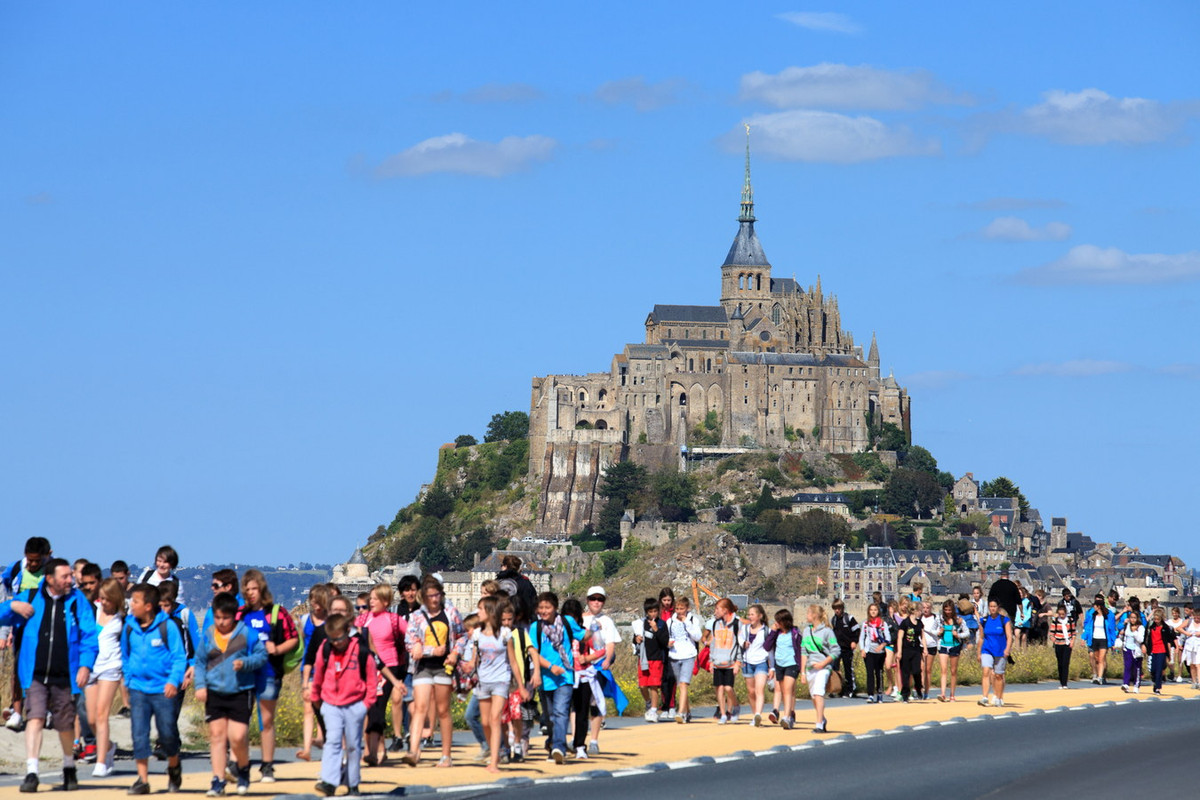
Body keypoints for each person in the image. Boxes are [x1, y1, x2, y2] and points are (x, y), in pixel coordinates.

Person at [1, 557, 97, 793]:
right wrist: (12, 606)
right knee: (35, 718)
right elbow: (2, 615)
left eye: (70, 576)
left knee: (65, 725)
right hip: (35, 673)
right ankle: (32, 771)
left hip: (65, 674)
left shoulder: (77, 602)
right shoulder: (30, 598)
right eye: (65, 577)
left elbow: (89, 636)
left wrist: (85, 665)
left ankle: (68, 767)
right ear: (50, 578)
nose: (70, 580)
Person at [194, 591, 267, 796]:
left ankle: (243, 770)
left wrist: (246, 663)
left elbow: (261, 656)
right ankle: (217, 780)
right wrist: (200, 686)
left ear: (234, 616)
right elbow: (200, 662)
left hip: (240, 692)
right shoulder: (208, 634)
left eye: (226, 618)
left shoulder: (247, 634)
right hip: (215, 692)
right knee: (217, 737)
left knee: (238, 737)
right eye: (218, 617)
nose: (221, 622)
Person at [122, 582, 187, 795]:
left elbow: (179, 658)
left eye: (136, 601)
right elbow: (125, 655)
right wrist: (129, 680)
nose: (131, 605)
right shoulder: (129, 626)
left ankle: (174, 766)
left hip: (163, 690)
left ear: (148, 606)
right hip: (138, 689)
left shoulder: (167, 627)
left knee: (167, 734)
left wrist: (172, 681)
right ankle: (142, 780)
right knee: (139, 734)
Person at [236, 569, 299, 783]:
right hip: (244, 674)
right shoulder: (240, 615)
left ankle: (267, 765)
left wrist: (278, 649)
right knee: (240, 722)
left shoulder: (277, 613)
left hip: (269, 673)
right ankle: (239, 764)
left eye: (255, 588)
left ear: (262, 588)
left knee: (267, 721)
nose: (251, 592)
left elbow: (293, 639)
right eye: (248, 589)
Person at [402, 575, 465, 768]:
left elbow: (462, 636)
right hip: (423, 667)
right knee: (420, 707)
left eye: (437, 595)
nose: (434, 599)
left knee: (443, 710)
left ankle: (446, 755)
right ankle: (414, 751)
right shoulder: (416, 617)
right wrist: (429, 650)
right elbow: (410, 643)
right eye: (430, 596)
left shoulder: (451, 613)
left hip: (443, 667)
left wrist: (455, 653)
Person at [311, 613, 377, 798]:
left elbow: (372, 678)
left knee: (353, 745)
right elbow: (318, 674)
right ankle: (329, 781)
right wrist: (316, 698)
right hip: (331, 703)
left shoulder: (361, 651)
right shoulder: (326, 649)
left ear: (348, 632)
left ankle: (353, 782)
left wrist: (367, 703)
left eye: (340, 638)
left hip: (355, 704)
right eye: (333, 639)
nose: (337, 643)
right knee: (332, 741)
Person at [463, 595, 523, 774]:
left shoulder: (505, 634)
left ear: (490, 612)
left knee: (495, 719)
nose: (478, 612)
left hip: (501, 681)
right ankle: (493, 749)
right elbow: (474, 660)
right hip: (483, 680)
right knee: (486, 722)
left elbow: (513, 662)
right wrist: (465, 667)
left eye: (481, 609)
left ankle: (495, 761)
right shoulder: (476, 634)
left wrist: (520, 685)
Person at [1, 536, 52, 735]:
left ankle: (45, 709)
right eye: (29, 560)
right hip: (22, 626)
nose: (32, 564)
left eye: (36, 561)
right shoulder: (15, 570)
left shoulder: (51, 571)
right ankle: (17, 710)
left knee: (44, 669)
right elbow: (5, 591)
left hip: (46, 627)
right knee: (18, 668)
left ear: (46, 557)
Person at [526, 591, 583, 765]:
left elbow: (582, 635)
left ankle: (559, 747)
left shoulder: (567, 622)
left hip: (565, 677)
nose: (544, 611)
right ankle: (553, 744)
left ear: (555, 608)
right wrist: (549, 667)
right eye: (541, 607)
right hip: (545, 678)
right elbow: (533, 653)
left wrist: (596, 633)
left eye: (547, 607)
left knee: (560, 712)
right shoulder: (535, 627)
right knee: (550, 716)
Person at [358, 583, 407, 766]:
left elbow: (410, 635)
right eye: (370, 599)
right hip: (368, 668)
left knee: (377, 708)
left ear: (385, 601)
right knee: (369, 710)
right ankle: (376, 748)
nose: (370, 602)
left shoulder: (393, 619)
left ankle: (376, 750)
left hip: (389, 667)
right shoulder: (364, 619)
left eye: (374, 599)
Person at [86, 578, 125, 778]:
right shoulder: (92, 610)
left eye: (107, 599)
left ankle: (101, 762)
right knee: (91, 718)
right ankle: (108, 746)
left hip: (111, 667)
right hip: (91, 667)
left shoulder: (122, 618)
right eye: (101, 598)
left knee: (102, 714)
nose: (103, 602)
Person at [578, 586, 624, 753]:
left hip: (597, 666)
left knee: (594, 702)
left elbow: (610, 643)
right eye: (593, 599)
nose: (596, 602)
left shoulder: (607, 621)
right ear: (587, 600)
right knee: (579, 705)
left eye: (600, 599)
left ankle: (594, 740)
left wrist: (607, 660)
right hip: (580, 666)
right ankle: (578, 739)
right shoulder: (580, 620)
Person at [297, 584, 330, 763]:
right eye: (313, 601)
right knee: (309, 707)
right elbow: (302, 643)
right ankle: (307, 748)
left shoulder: (331, 621)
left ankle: (322, 738)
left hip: (327, 669)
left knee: (324, 707)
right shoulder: (305, 620)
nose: (316, 604)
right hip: (308, 668)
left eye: (319, 601)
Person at [799, 605, 839, 733]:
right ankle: (822, 717)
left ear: (814, 615)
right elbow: (804, 652)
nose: (806, 616)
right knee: (814, 697)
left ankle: (819, 724)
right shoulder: (806, 631)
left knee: (818, 693)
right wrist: (803, 672)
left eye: (808, 613)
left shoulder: (827, 631)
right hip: (811, 668)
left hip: (823, 668)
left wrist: (824, 663)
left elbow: (836, 650)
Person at [665, 596, 701, 723]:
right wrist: (668, 643)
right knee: (681, 685)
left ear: (687, 608)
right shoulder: (670, 621)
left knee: (684, 684)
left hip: (689, 655)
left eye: (682, 609)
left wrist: (687, 623)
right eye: (677, 609)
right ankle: (687, 711)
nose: (679, 611)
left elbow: (697, 637)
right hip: (674, 655)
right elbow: (668, 636)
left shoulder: (692, 620)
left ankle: (680, 712)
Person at [706, 597, 742, 724]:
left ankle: (734, 707)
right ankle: (723, 714)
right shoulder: (716, 624)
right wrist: (711, 661)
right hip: (717, 662)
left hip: (730, 662)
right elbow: (713, 643)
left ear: (725, 610)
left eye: (717, 609)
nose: (715, 611)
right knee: (719, 688)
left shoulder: (737, 624)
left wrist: (738, 662)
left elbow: (739, 644)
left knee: (728, 688)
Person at [632, 598, 668, 722]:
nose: (653, 614)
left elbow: (664, 641)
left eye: (655, 611)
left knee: (654, 685)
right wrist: (636, 639)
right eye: (650, 612)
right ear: (646, 612)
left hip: (656, 659)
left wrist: (656, 630)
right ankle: (648, 702)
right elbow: (634, 639)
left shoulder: (662, 624)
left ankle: (653, 710)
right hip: (643, 659)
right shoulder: (641, 624)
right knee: (642, 685)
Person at [765, 609, 801, 728]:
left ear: (784, 621)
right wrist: (773, 632)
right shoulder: (777, 633)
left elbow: (801, 650)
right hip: (779, 665)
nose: (776, 623)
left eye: (778, 621)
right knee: (780, 689)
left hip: (792, 664)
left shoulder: (795, 633)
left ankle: (787, 717)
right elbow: (767, 646)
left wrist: (801, 667)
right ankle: (782, 712)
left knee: (788, 690)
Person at [977, 599, 1013, 707]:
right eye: (990, 606)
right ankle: (984, 697)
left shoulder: (1004, 620)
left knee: (998, 675)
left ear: (998, 607)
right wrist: (978, 652)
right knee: (986, 671)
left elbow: (1009, 636)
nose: (992, 608)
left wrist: (1007, 649)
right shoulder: (984, 620)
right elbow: (981, 637)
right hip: (987, 649)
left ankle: (998, 697)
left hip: (1000, 650)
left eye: (994, 606)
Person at [739, 604, 770, 724]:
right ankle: (754, 715)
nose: (749, 616)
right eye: (749, 614)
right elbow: (739, 638)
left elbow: (770, 650)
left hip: (761, 662)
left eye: (752, 614)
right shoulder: (745, 629)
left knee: (759, 689)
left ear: (760, 616)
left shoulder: (766, 631)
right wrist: (743, 643)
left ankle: (758, 713)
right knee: (751, 691)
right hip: (747, 662)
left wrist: (771, 667)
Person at [935, 600, 969, 701]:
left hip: (955, 645)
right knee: (943, 669)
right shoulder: (940, 619)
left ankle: (952, 694)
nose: (947, 612)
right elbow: (932, 630)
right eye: (946, 610)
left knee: (953, 671)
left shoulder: (959, 620)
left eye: (949, 610)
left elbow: (967, 632)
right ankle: (943, 693)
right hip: (943, 645)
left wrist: (958, 635)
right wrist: (938, 632)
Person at [858, 603, 890, 704]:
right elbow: (862, 637)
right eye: (871, 610)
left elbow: (888, 638)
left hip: (880, 651)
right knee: (870, 673)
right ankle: (870, 694)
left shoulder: (882, 624)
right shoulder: (866, 624)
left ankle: (879, 693)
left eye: (875, 610)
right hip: (869, 651)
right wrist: (862, 649)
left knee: (879, 673)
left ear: (878, 611)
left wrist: (882, 645)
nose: (873, 612)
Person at [1082, 596, 1116, 685]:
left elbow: (1112, 629)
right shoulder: (1092, 615)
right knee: (1096, 658)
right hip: (1094, 639)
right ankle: (1096, 675)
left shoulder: (1109, 615)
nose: (1094, 607)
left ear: (1099, 606)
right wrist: (1083, 638)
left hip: (1104, 639)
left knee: (1101, 659)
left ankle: (1100, 677)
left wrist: (1113, 642)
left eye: (1095, 606)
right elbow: (1088, 628)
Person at [829, 600, 859, 698]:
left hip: (847, 648)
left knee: (848, 669)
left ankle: (850, 689)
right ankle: (836, 688)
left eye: (838, 608)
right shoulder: (834, 620)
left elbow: (857, 630)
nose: (837, 611)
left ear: (842, 608)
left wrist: (854, 641)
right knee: (835, 668)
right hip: (837, 648)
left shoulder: (849, 618)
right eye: (835, 609)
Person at [656, 588, 678, 718]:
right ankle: (665, 704)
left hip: (674, 648)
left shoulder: (676, 612)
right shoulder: (658, 612)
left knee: (672, 678)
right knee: (663, 678)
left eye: (669, 600)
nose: (667, 603)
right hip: (661, 648)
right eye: (664, 600)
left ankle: (672, 704)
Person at [895, 602, 924, 702]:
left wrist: (925, 649)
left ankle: (919, 688)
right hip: (906, 650)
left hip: (916, 650)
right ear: (915, 611)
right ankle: (905, 694)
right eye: (920, 610)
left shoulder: (920, 623)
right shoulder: (905, 623)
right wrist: (899, 651)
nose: (921, 612)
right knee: (905, 673)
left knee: (916, 671)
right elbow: (900, 637)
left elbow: (922, 637)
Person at [1144, 607, 1175, 695]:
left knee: (1159, 669)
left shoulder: (1165, 628)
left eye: (1158, 619)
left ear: (1161, 619)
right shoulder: (1151, 627)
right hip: (1153, 650)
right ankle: (1155, 681)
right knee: (1153, 669)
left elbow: (1169, 641)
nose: (1156, 621)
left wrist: (1169, 655)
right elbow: (1146, 637)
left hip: (1162, 650)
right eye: (1155, 619)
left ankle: (1158, 687)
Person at [202, 569, 240, 635]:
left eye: (216, 586)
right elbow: (205, 637)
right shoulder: (211, 611)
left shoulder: (245, 609)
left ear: (228, 587)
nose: (212, 588)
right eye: (212, 585)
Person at [1119, 608, 1147, 693]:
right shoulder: (1127, 625)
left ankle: (1136, 685)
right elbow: (1122, 632)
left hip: (1136, 650)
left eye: (1134, 618)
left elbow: (1141, 639)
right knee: (1127, 667)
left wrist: (1135, 632)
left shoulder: (1141, 628)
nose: (1132, 619)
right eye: (1131, 617)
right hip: (1127, 648)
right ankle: (1126, 684)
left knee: (1136, 669)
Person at [1049, 603, 1076, 689]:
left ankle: (1065, 683)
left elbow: (1073, 632)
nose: (1061, 616)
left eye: (1063, 614)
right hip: (1058, 644)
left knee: (1065, 663)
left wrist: (1072, 641)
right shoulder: (1056, 621)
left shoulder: (1070, 620)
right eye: (1060, 614)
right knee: (1060, 663)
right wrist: (1054, 640)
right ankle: (1061, 682)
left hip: (1067, 644)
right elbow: (1051, 633)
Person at [918, 601, 939, 701]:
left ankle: (926, 691)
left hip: (932, 645)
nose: (925, 610)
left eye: (927, 608)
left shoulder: (935, 618)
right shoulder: (919, 618)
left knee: (928, 669)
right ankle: (920, 689)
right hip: (921, 645)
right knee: (921, 668)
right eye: (924, 607)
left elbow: (938, 631)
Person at [1180, 606, 1200, 689]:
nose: (1197, 620)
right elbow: (1178, 628)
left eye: (1198, 618)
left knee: (1198, 664)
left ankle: (1199, 681)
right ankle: (1194, 681)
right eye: (1195, 618)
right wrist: (1186, 633)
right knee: (1192, 664)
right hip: (1190, 645)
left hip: (1198, 645)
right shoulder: (1189, 621)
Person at [1167, 606, 1186, 683]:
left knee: (1180, 659)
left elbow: (1182, 631)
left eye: (1176, 613)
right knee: (1172, 659)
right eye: (1173, 613)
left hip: (1179, 640)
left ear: (1178, 613)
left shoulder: (1182, 621)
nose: (1174, 614)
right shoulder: (1169, 621)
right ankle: (1173, 673)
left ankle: (1180, 675)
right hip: (1172, 641)